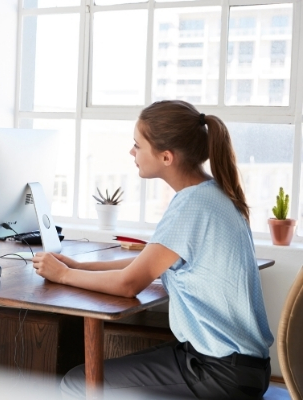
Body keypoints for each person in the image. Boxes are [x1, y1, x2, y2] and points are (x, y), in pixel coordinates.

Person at [33, 100, 274, 399]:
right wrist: (76, 267)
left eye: (137, 145)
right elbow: (142, 266)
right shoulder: (212, 194)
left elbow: (128, 284)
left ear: (166, 157)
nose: (131, 153)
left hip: (219, 373)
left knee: (78, 382)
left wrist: (64, 276)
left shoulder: (191, 205)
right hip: (241, 367)